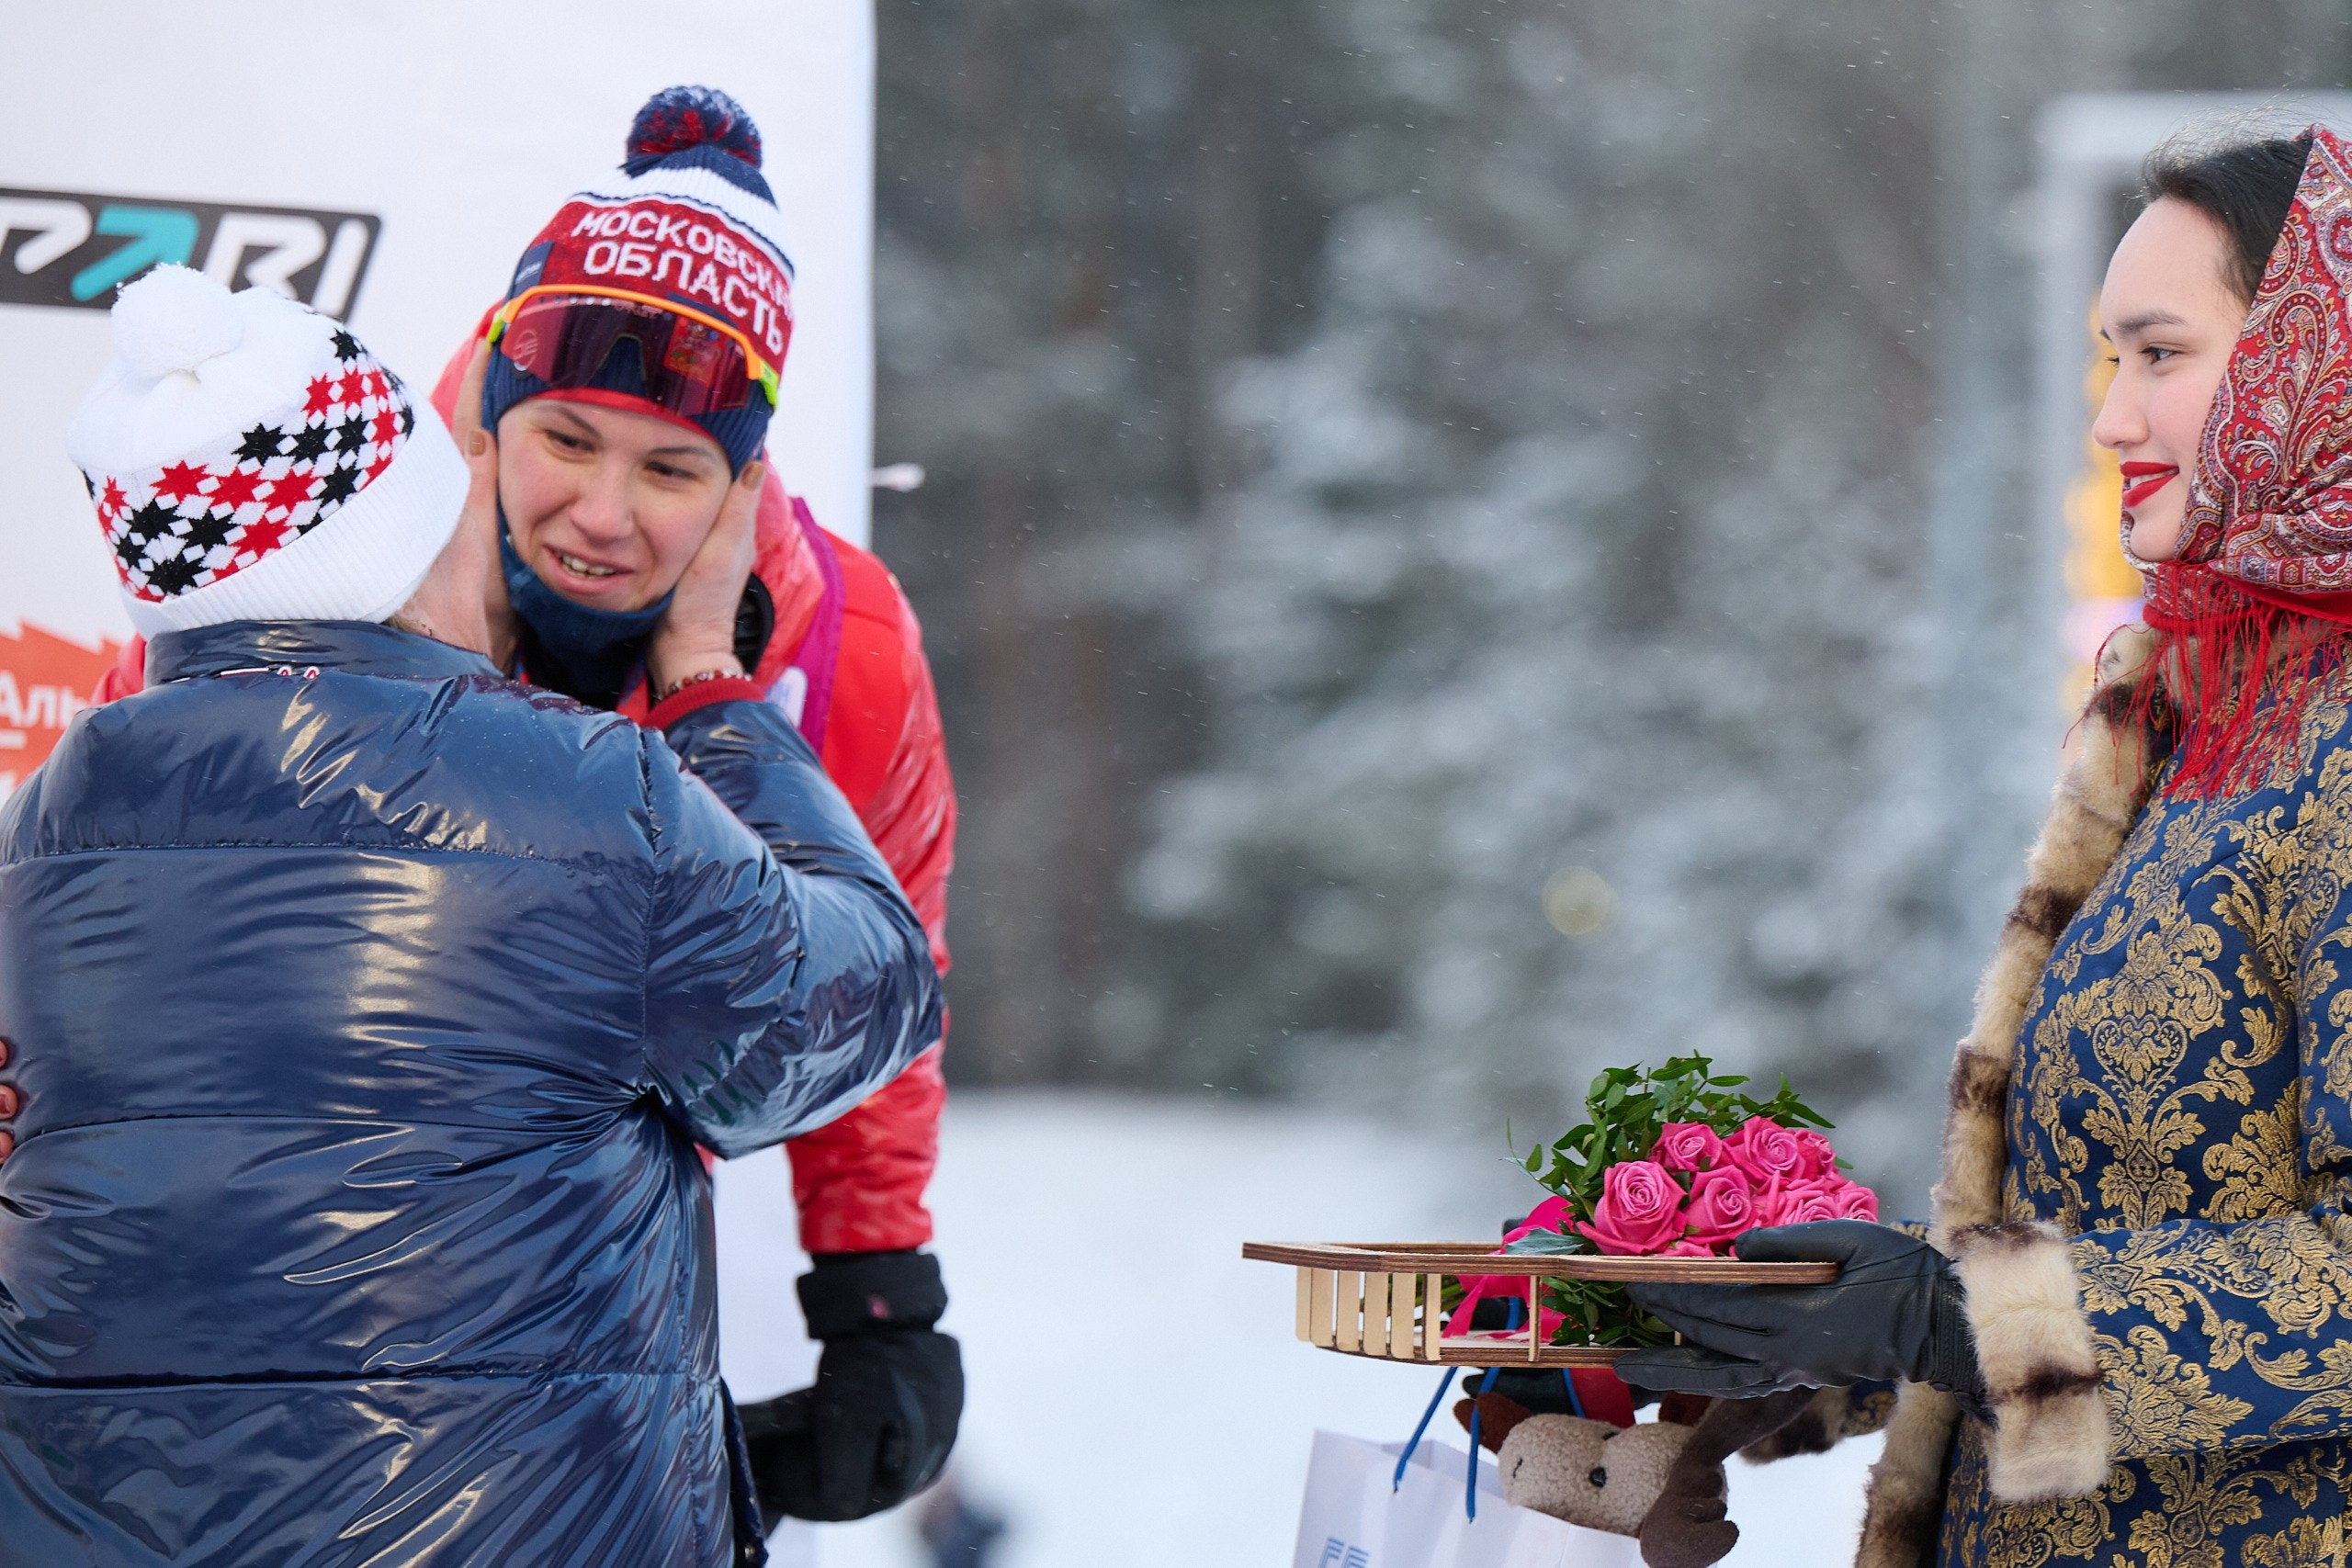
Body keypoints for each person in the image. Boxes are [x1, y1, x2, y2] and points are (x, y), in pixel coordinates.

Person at [90, 85, 964, 1526]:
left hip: (601, 1293)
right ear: (490, 412)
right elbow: (148, 909)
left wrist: (879, 1296)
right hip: (266, 1291)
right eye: (565, 439)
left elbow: (879, 976)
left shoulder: (839, 646)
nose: (605, 516)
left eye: (673, 468)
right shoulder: (326, 548)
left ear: (747, 480)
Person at [1614, 125, 2352, 1566]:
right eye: (2106, 360)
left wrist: (1953, 1314)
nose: (2109, 420)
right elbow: (2097, 1239)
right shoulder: (2196, 718)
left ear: (2315, 366)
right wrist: (1765, 1353)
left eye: (2157, 354)